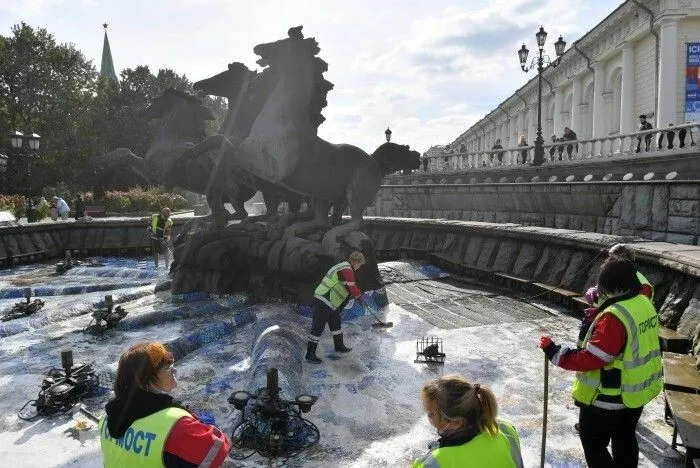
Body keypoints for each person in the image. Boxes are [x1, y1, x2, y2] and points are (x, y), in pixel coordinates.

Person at [539, 259, 662, 468]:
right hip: (635, 395)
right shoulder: (643, 303)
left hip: (607, 398)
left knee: (594, 444)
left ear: (611, 285)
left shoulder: (615, 316)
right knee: (625, 439)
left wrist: (555, 352)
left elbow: (594, 357)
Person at [99, 341, 231, 467]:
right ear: (144, 380)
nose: (175, 371)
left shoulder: (106, 415)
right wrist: (200, 425)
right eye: (168, 368)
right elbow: (218, 450)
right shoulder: (176, 424)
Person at [413, 374, 524, 468]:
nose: (429, 418)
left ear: (456, 422)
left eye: (431, 414)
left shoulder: (434, 463)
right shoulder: (506, 429)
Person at [305, 251, 366, 364]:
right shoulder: (347, 269)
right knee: (318, 327)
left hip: (331, 301)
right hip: (324, 298)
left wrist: (356, 295)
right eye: (360, 265)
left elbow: (348, 287)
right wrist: (360, 298)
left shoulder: (344, 267)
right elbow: (352, 288)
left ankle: (339, 346)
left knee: (336, 323)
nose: (359, 267)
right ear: (356, 262)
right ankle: (310, 354)